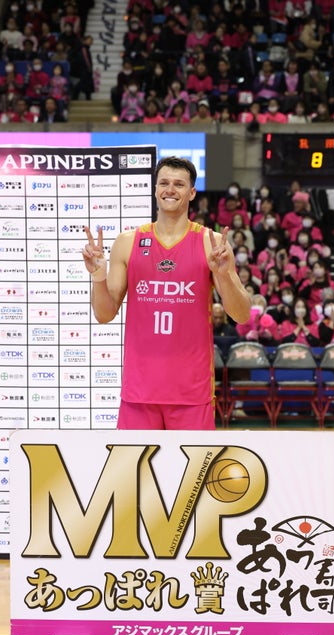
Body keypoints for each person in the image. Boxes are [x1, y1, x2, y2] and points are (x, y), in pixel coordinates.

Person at [82, 156, 251, 430]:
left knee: (195, 462)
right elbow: (104, 314)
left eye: (179, 184)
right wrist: (98, 275)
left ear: (192, 193)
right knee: (135, 461)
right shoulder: (128, 242)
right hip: (139, 391)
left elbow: (241, 315)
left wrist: (223, 274)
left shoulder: (211, 243)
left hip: (192, 392)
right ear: (155, 189)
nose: (170, 190)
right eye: (164, 183)